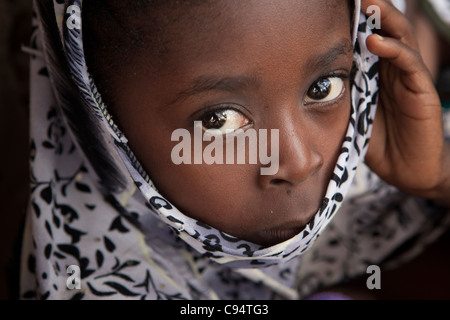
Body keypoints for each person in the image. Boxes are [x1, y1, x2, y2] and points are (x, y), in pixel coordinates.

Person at [20, 0, 450, 300]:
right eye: (219, 120)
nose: (300, 162)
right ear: (100, 117)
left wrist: (438, 177)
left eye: (324, 86)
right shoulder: (82, 276)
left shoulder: (380, 160)